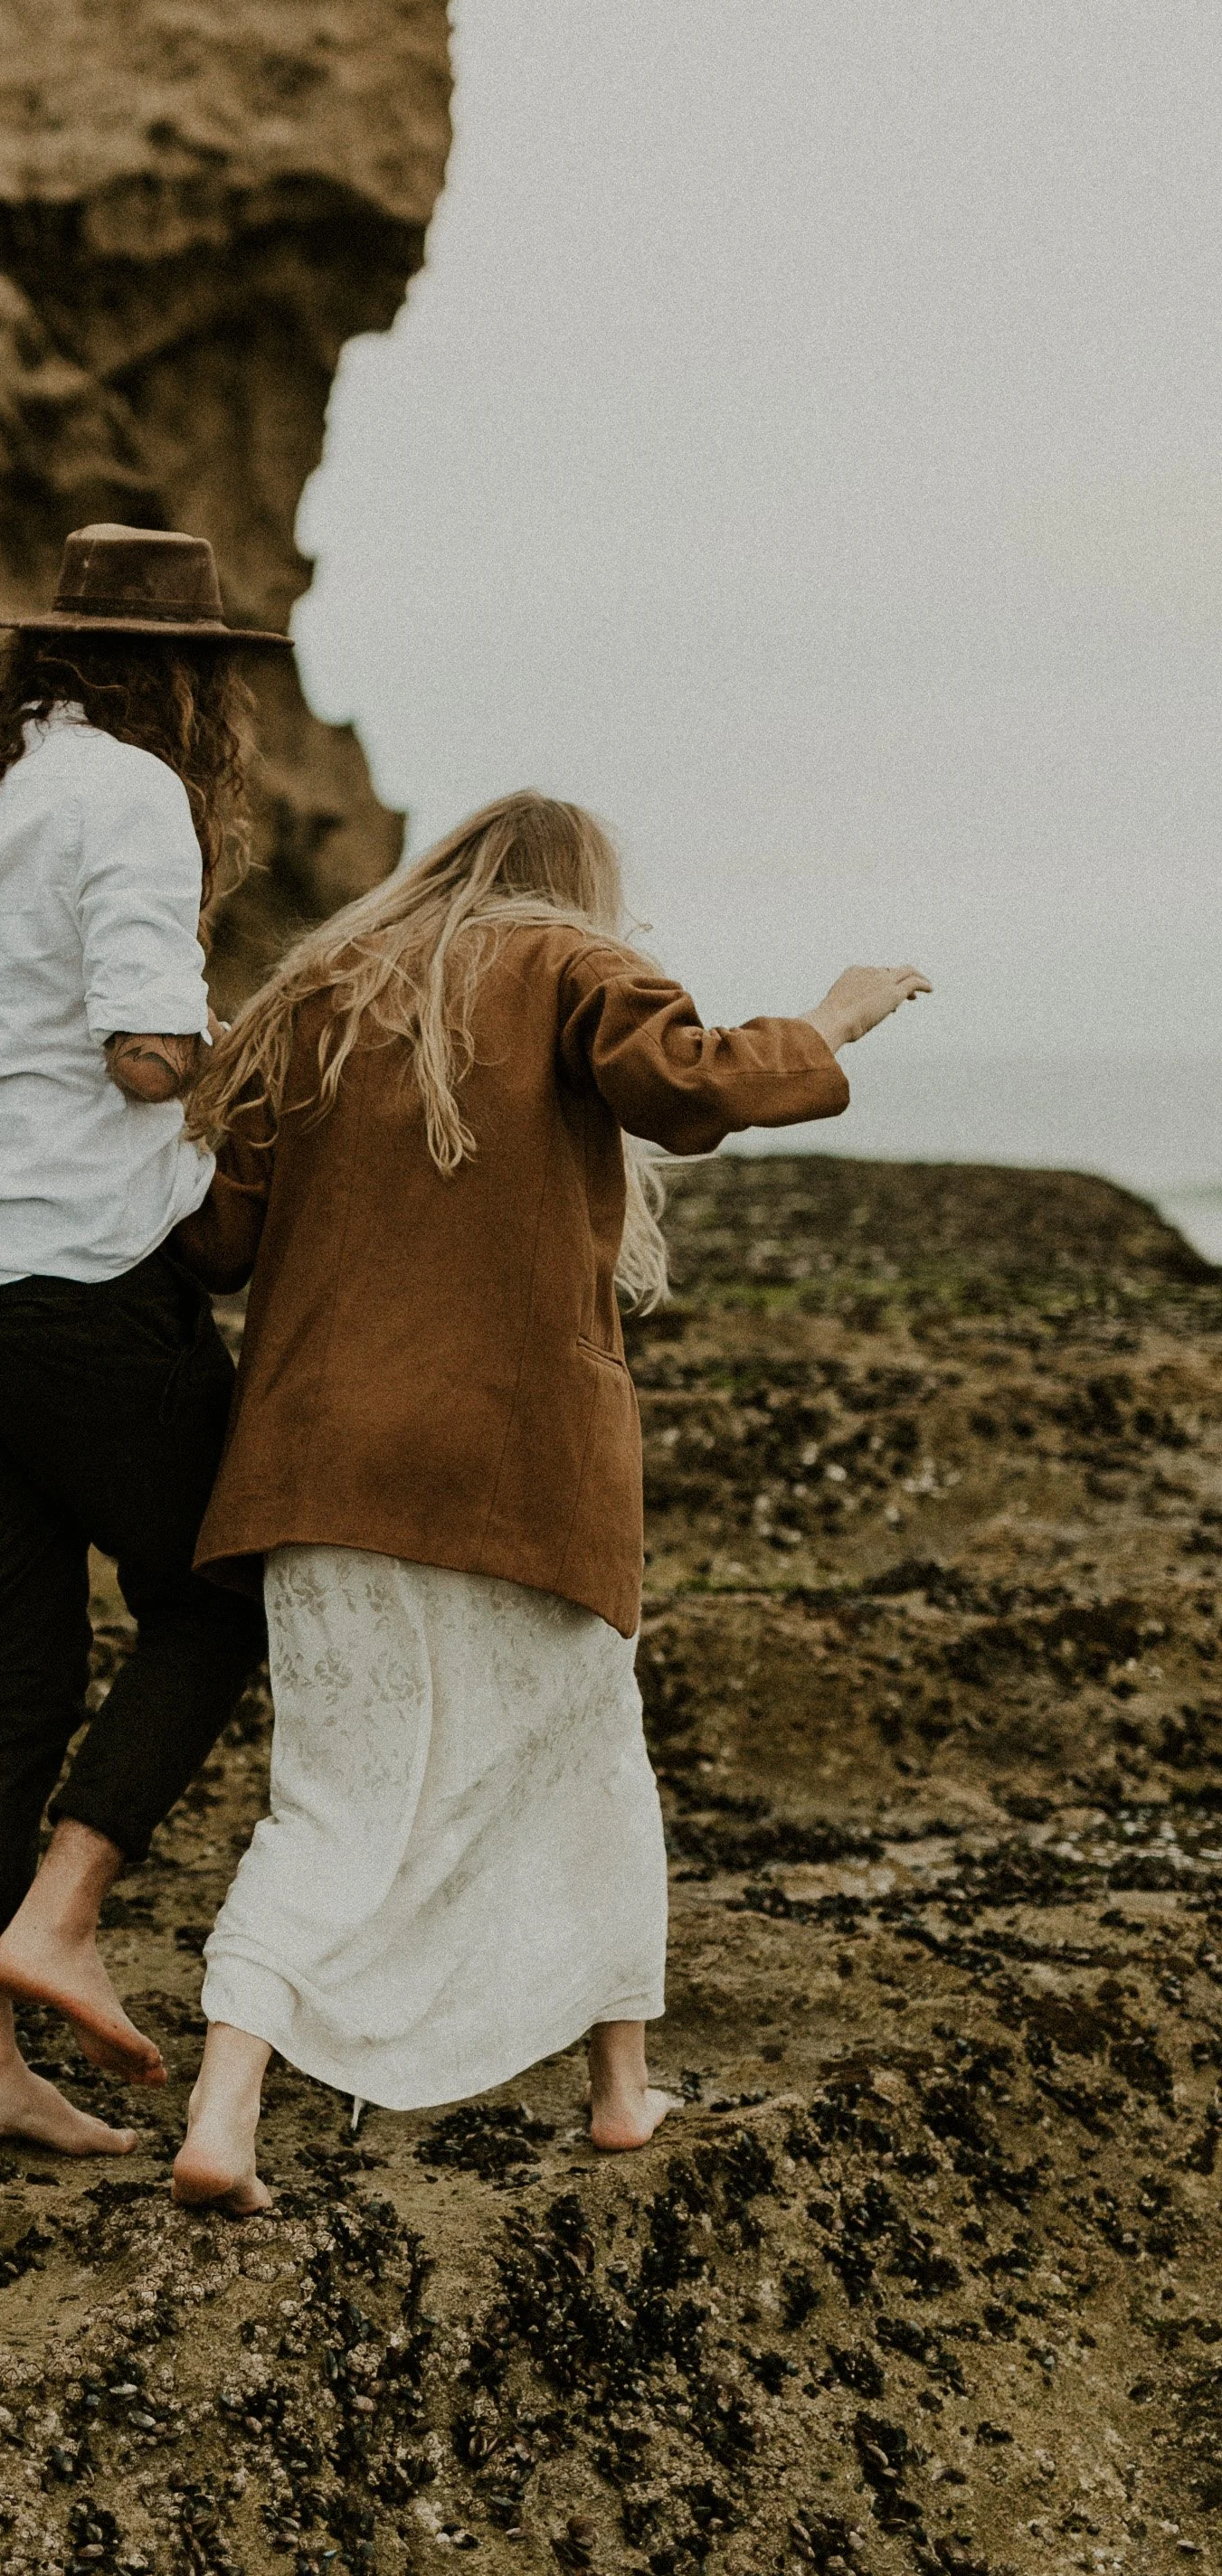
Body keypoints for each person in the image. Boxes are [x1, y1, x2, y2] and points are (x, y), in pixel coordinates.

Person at [164, 791, 930, 2213]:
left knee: (328, 1800)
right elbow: (693, 1088)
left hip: (316, 1463)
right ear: (577, 886)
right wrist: (831, 1019)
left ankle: (222, 2113)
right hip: (516, 1458)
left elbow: (215, 1242)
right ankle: (621, 2090)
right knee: (587, 1765)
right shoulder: (576, 965)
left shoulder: (320, 997)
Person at [0, 524, 289, 2157]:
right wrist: (273, 1071)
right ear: (184, 680)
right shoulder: (130, 797)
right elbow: (151, 1054)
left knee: (11, 1671)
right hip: (78, 1292)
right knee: (226, 1591)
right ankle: (67, 1910)